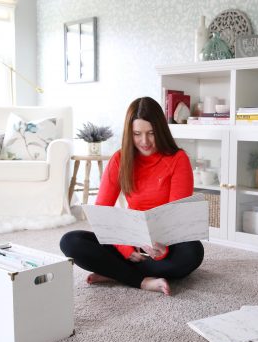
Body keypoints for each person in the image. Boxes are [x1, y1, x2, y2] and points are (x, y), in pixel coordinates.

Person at [60, 97, 204, 295]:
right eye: (137, 134)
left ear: (160, 131)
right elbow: (102, 214)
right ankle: (142, 281)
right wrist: (126, 249)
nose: (144, 141)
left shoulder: (178, 159)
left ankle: (115, 272)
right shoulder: (119, 159)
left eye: (151, 133)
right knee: (70, 241)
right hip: (128, 240)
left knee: (193, 253)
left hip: (164, 244)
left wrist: (161, 249)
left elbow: (176, 219)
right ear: (130, 133)